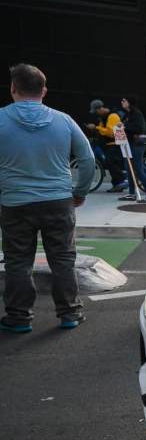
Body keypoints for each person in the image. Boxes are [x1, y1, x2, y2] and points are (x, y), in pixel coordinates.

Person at [0, 63, 94, 332]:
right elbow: (87, 160)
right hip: (58, 200)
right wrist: (80, 192)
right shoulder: (63, 120)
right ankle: (70, 313)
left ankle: (19, 317)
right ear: (44, 90)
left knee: (17, 261)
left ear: (13, 88)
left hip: (15, 202)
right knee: (63, 258)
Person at [86, 100, 128, 191]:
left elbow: (111, 132)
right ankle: (117, 185)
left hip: (115, 144)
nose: (96, 113)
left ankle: (122, 181)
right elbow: (103, 131)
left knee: (110, 162)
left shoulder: (112, 116)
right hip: (109, 144)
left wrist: (96, 127)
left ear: (100, 108)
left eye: (96, 111)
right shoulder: (103, 118)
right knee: (110, 163)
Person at [119, 96, 146, 202]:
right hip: (128, 144)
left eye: (124, 100)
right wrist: (121, 125)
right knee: (129, 169)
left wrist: (125, 126)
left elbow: (140, 128)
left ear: (129, 102)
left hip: (137, 145)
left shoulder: (137, 114)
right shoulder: (127, 114)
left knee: (138, 169)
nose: (122, 102)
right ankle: (131, 193)